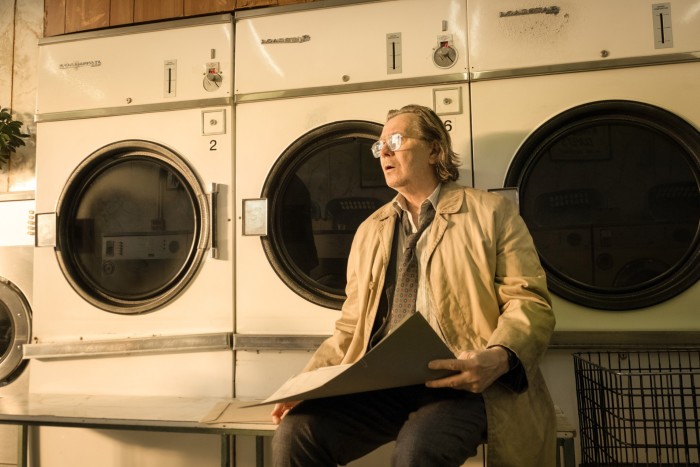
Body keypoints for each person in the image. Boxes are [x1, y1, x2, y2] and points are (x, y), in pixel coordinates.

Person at [271, 104, 557, 467]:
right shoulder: (371, 230)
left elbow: (528, 301)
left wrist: (498, 358)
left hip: (464, 380)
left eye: (395, 140)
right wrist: (306, 385)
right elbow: (350, 326)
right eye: (379, 147)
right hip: (381, 382)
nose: (384, 153)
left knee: (417, 449)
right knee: (296, 433)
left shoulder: (489, 213)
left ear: (434, 150)